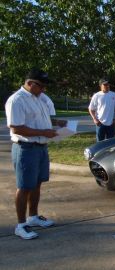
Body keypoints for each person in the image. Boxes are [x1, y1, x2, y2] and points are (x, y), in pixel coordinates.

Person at [5, 68, 67, 240]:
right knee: (24, 187)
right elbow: (16, 127)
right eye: (41, 85)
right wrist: (43, 132)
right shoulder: (17, 100)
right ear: (30, 83)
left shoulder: (40, 98)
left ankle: (33, 216)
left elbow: (43, 118)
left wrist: (57, 123)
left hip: (40, 148)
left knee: (37, 184)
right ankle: (21, 224)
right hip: (25, 148)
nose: (44, 89)